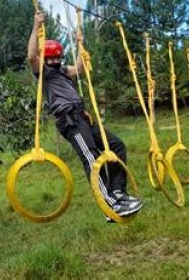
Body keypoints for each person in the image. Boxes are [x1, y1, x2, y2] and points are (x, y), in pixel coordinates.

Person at [27, 11, 142, 222]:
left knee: (116, 146)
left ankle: (118, 193)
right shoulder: (42, 71)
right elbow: (31, 56)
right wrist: (36, 26)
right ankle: (109, 205)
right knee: (92, 158)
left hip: (83, 117)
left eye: (57, 57)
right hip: (69, 120)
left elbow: (79, 68)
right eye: (51, 58)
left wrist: (80, 44)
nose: (54, 61)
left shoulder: (62, 70)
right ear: (46, 58)